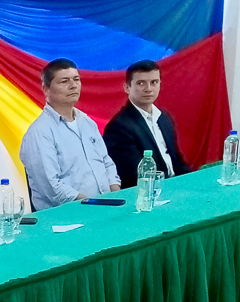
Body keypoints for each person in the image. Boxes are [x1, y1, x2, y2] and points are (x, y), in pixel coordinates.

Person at [20, 58, 121, 210]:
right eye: (64, 81)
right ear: (46, 89)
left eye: (76, 80)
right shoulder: (39, 133)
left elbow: (106, 162)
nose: (73, 86)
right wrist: (91, 204)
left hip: (105, 207)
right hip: (68, 217)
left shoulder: (87, 123)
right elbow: (51, 187)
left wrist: (115, 196)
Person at [103, 59, 191, 187]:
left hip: (175, 185)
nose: (148, 89)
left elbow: (177, 161)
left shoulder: (164, 118)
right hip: (149, 193)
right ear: (127, 88)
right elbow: (134, 177)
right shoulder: (119, 127)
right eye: (141, 83)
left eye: (154, 82)